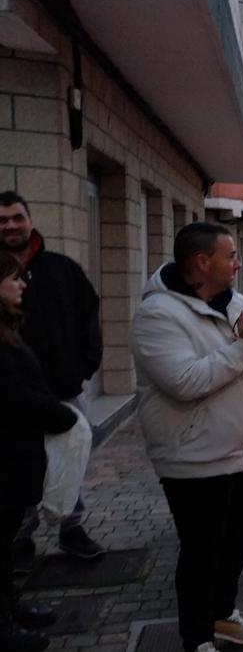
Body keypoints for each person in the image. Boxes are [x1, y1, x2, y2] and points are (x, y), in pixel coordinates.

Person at [130, 222, 243, 652]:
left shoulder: (235, 302)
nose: (238, 263)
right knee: (202, 550)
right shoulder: (156, 315)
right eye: (230, 256)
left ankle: (221, 613)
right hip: (194, 459)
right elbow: (185, 381)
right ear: (202, 263)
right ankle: (196, 638)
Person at [0, 191, 106, 569]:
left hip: (63, 387)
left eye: (16, 217)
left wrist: (84, 366)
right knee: (20, 467)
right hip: (15, 399)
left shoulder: (60, 268)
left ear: (29, 219)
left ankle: (71, 528)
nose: (10, 225)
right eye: (3, 220)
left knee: (71, 461)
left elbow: (89, 314)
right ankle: (20, 537)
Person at [0, 251, 76, 652]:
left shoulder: (9, 328)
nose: (22, 285)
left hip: (17, 457)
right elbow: (14, 396)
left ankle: (11, 609)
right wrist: (56, 414)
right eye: (14, 279)